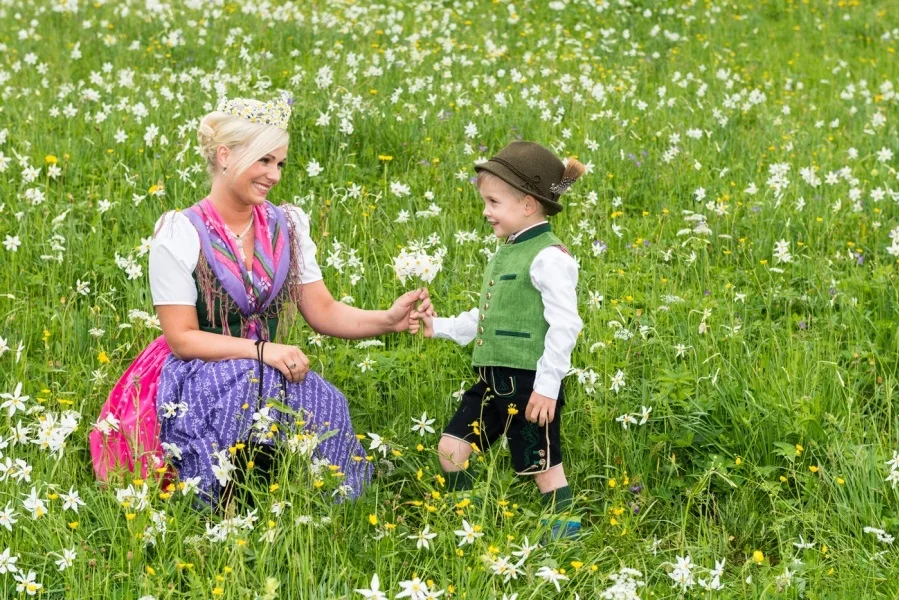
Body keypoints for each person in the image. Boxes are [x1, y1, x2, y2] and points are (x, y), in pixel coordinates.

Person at [89, 94, 432, 507]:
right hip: (196, 369)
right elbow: (181, 338)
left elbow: (322, 311)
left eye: (280, 163)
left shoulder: (287, 225)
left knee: (327, 402)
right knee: (249, 385)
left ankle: (319, 505)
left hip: (267, 365)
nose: (274, 175)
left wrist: (389, 320)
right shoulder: (181, 233)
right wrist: (262, 351)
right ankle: (221, 506)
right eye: (264, 160)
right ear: (225, 155)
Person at [411, 141, 585, 538]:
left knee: (543, 467)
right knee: (451, 449)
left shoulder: (549, 257)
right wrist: (438, 327)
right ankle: (470, 527)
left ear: (527, 205)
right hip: (491, 381)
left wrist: (547, 387)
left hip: (529, 386)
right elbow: (492, 318)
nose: (486, 212)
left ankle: (566, 542)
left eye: (493, 202)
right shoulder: (508, 251)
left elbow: (565, 325)